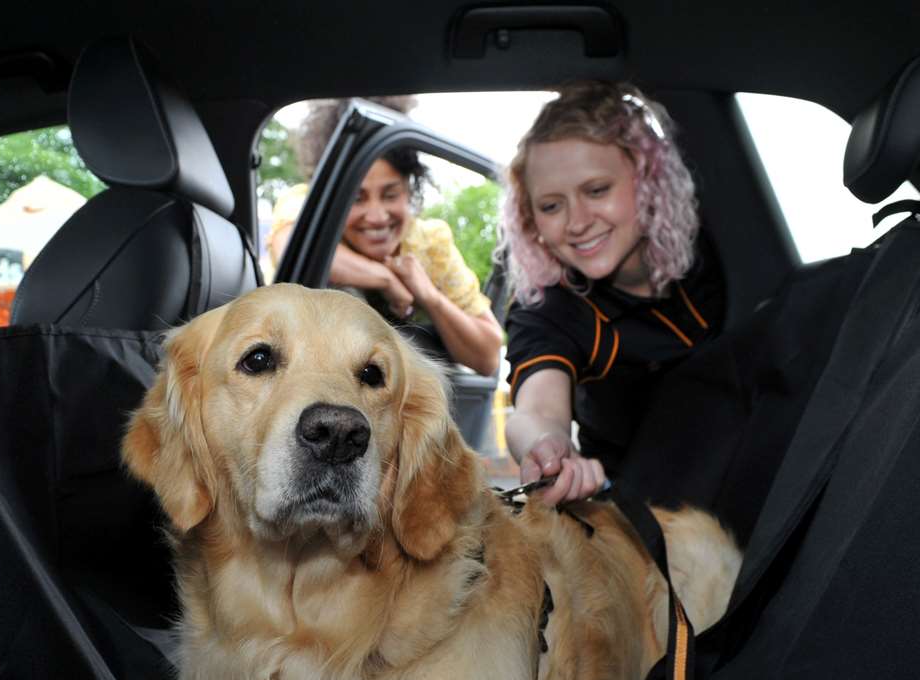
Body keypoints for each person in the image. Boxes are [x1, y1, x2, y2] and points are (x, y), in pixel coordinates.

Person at [499, 81, 725, 506]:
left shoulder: (719, 244)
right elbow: (536, 410)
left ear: (648, 181)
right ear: (531, 221)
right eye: (551, 206)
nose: (578, 221)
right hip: (647, 507)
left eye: (597, 190)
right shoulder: (548, 306)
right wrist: (547, 449)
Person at [267, 98, 504, 376]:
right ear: (335, 194)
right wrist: (386, 278)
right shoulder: (311, 204)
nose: (377, 216)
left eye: (391, 195)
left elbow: (489, 357)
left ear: (410, 191)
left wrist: (427, 295)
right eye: (357, 198)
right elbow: (290, 247)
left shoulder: (430, 243)